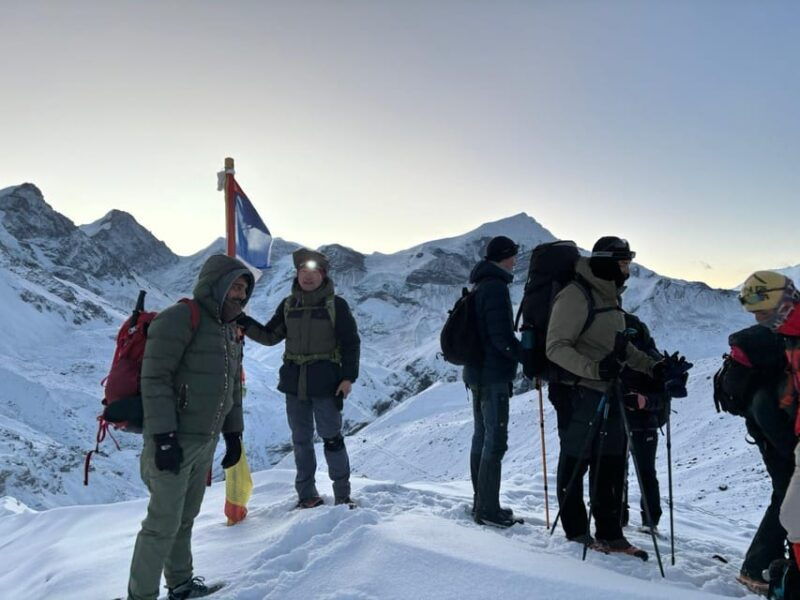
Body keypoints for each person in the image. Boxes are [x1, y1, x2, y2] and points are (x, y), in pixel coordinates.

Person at [127, 254, 253, 600]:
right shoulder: (181, 317)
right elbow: (155, 378)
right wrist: (164, 437)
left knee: (185, 517)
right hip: (173, 439)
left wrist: (233, 434)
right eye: (234, 286)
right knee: (162, 523)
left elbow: (232, 386)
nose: (240, 294)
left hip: (205, 440)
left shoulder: (230, 328)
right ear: (215, 284)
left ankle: (180, 584)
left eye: (244, 289)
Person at [546, 236, 674, 557]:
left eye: (628, 263)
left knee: (612, 462)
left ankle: (611, 534)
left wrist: (654, 367)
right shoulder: (576, 295)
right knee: (577, 461)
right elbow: (556, 347)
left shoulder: (609, 297)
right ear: (605, 262)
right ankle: (577, 531)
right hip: (577, 392)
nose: (627, 270)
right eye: (623, 263)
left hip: (609, 390)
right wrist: (595, 369)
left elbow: (621, 348)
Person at [238, 248, 360, 508]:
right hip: (295, 384)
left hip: (327, 383)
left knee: (332, 439)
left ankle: (342, 494)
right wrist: (243, 322)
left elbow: (351, 342)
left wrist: (348, 377)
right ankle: (307, 495)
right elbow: (270, 336)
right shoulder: (288, 305)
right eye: (302, 270)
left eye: (313, 271)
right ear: (297, 274)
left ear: (323, 275)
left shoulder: (336, 306)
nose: (307, 276)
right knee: (301, 441)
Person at [736, 271, 800, 596]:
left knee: (791, 509)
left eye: (762, 311)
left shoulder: (791, 336)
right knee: (791, 510)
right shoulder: (787, 337)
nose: (759, 319)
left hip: (782, 431)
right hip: (784, 433)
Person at [463, 235, 523, 528]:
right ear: (503, 257)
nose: (514, 262)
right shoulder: (496, 288)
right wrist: (525, 355)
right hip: (492, 375)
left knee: (481, 436)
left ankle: (481, 502)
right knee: (495, 441)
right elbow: (501, 338)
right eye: (512, 256)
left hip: (476, 373)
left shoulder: (480, 284)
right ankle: (488, 508)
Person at [618, 312, 671, 535]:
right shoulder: (652, 357)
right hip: (638, 422)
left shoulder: (649, 359)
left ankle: (638, 518)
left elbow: (663, 396)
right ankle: (644, 519)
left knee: (640, 471)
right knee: (639, 471)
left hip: (640, 421)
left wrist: (644, 401)